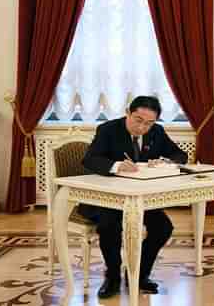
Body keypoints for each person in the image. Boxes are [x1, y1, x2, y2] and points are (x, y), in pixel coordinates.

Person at [79, 95, 188, 298]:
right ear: (128, 113)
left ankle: (139, 275)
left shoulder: (157, 131)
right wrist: (117, 165)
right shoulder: (108, 130)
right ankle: (112, 277)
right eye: (138, 120)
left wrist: (164, 162)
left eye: (149, 123)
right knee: (109, 225)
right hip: (106, 199)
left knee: (163, 227)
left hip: (140, 200)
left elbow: (180, 155)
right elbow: (90, 159)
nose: (142, 127)